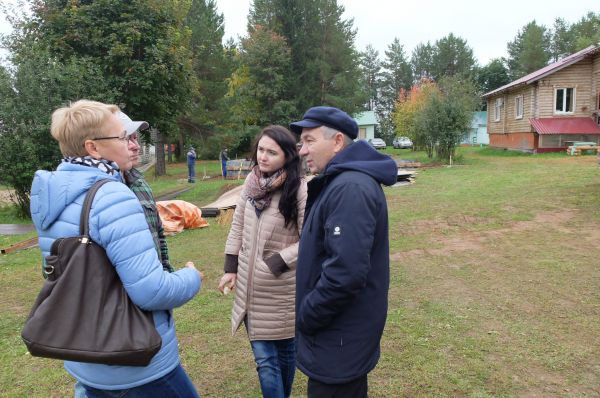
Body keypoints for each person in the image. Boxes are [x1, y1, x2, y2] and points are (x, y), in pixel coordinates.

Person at [30, 100, 203, 397]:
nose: (131, 144)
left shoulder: (51, 196)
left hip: (85, 354)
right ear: (93, 148)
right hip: (134, 361)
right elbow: (151, 291)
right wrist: (191, 277)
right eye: (122, 137)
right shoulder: (112, 196)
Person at [290, 106, 397, 397]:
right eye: (302, 142)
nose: (301, 150)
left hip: (338, 339)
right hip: (339, 337)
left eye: (310, 141)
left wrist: (307, 315)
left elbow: (345, 274)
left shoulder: (350, 188)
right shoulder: (340, 182)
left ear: (337, 142)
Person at [218, 125, 307, 398]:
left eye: (272, 152)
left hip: (281, 290)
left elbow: (311, 240)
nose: (263, 157)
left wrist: (276, 263)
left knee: (285, 354)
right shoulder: (251, 182)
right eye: (260, 149)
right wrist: (230, 270)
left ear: (287, 156)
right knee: (265, 361)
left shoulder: (300, 189)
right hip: (249, 288)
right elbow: (238, 226)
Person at [117, 112, 174, 272]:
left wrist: (166, 273)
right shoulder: (97, 194)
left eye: (135, 138)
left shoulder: (140, 183)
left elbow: (159, 236)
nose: (136, 146)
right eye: (127, 139)